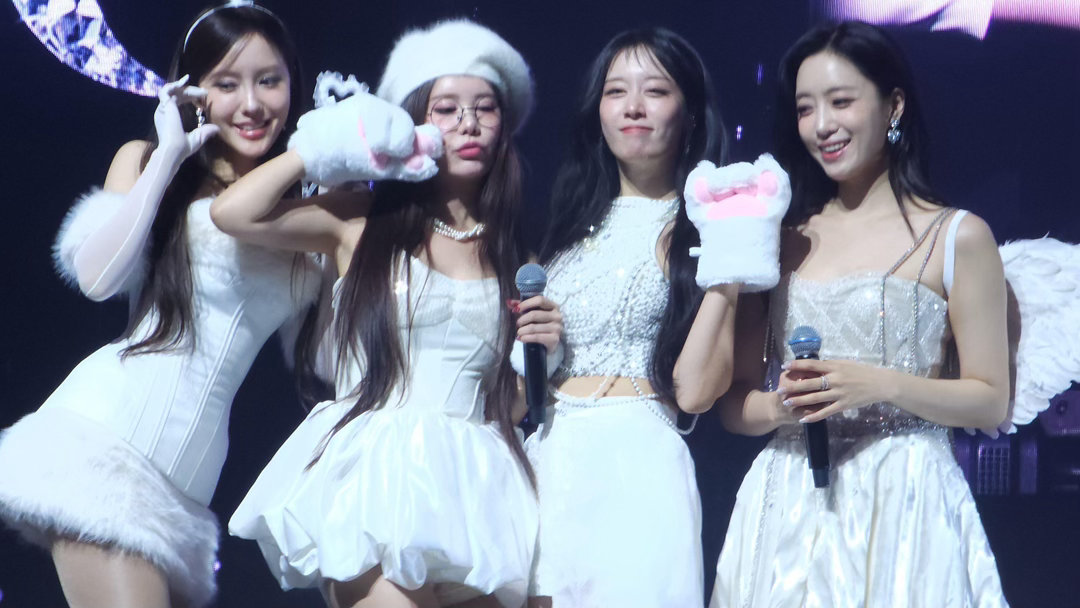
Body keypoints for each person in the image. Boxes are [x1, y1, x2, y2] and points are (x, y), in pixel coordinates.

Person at [216, 20, 557, 608]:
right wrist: (321, 145)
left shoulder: (516, 259)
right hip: (377, 472)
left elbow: (508, 407)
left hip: (477, 486)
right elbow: (234, 213)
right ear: (415, 122)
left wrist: (539, 358)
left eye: (485, 108)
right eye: (446, 109)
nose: (468, 123)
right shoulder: (361, 221)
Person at [0, 3, 315, 607]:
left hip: (189, 487)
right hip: (107, 445)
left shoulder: (306, 207)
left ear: (292, 86)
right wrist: (169, 155)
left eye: (268, 80)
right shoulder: (146, 161)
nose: (251, 103)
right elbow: (97, 278)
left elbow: (326, 359)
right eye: (227, 83)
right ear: (194, 89)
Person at [710, 20, 1009, 607]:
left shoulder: (957, 236)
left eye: (841, 102)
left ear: (893, 105)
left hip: (906, 499)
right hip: (789, 499)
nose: (822, 125)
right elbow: (734, 404)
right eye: (805, 108)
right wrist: (779, 406)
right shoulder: (779, 239)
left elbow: (989, 399)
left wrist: (879, 384)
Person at [519, 27, 788, 607]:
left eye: (656, 90)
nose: (633, 107)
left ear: (689, 113)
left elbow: (695, 394)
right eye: (616, 91)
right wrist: (538, 347)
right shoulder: (562, 229)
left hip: (641, 466)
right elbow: (519, 391)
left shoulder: (711, 226)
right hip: (552, 460)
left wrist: (728, 261)